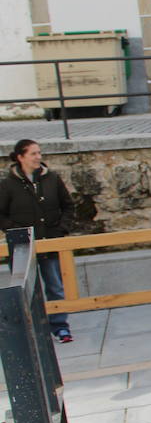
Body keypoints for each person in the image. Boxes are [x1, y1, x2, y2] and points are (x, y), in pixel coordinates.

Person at [0, 139, 75, 343]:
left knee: (55, 286)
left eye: (39, 153)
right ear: (20, 157)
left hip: (50, 242)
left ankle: (60, 327)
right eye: (33, 153)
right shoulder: (7, 185)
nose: (38, 157)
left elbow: (68, 206)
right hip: (22, 247)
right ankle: (33, 330)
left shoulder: (52, 179)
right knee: (27, 290)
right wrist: (15, 230)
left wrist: (61, 229)